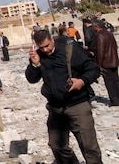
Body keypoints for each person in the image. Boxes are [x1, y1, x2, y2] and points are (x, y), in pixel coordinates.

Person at [26, 28, 103, 164]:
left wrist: (82, 81)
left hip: (77, 105)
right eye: (41, 47)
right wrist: (35, 64)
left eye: (47, 46)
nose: (45, 50)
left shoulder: (71, 50)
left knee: (89, 147)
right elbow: (32, 79)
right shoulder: (39, 55)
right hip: (56, 109)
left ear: (52, 40)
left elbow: (94, 69)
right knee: (57, 145)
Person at [93, 19, 119, 106]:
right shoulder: (108, 33)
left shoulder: (100, 35)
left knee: (109, 82)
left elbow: (100, 51)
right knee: (116, 80)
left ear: (96, 26)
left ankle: (114, 100)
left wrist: (99, 65)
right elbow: (115, 46)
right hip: (114, 61)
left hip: (106, 63)